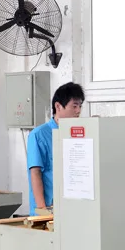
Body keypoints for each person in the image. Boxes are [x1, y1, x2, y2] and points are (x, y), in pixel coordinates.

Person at [27, 82, 85, 216]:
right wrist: (43, 211)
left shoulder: (78, 133)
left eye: (80, 106)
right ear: (58, 106)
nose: (78, 111)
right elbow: (35, 172)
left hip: (73, 207)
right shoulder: (39, 135)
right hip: (48, 207)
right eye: (74, 106)